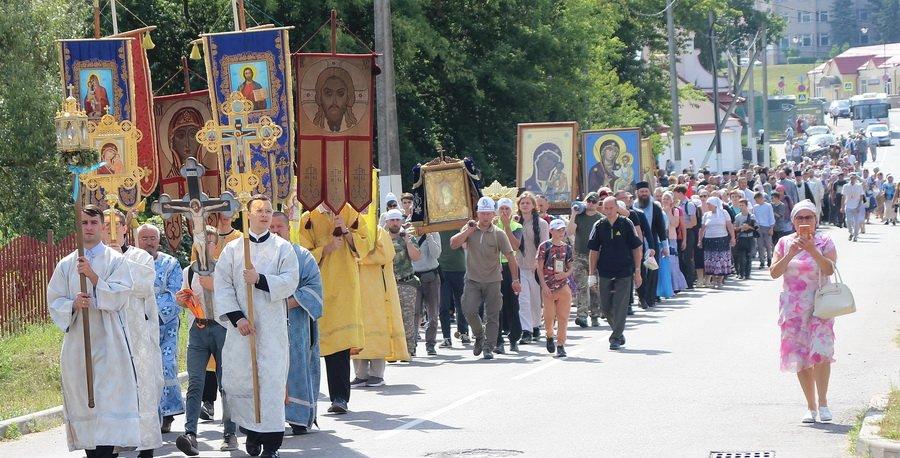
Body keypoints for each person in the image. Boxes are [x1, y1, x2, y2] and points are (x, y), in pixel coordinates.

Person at [47, 205, 137, 457]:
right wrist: (73, 304)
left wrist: (93, 277)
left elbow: (121, 295)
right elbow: (54, 300)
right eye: (84, 222)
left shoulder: (115, 260)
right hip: (79, 343)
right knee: (86, 404)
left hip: (109, 343)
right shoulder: (66, 264)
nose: (88, 228)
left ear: (102, 226)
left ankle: (107, 452)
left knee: (107, 402)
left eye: (93, 223)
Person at [214, 195, 299, 458]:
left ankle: (271, 444)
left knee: (270, 384)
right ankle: (251, 432)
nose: (264, 215)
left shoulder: (283, 248)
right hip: (243, 329)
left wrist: (259, 279)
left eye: (268, 211)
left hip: (271, 329)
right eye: (259, 210)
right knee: (243, 381)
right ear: (248, 214)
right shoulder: (233, 249)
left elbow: (290, 281)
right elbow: (222, 286)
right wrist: (237, 318)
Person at [101, 210, 163, 458]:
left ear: (125, 228)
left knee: (142, 386)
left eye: (116, 224)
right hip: (107, 331)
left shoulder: (140, 257)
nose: (111, 229)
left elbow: (143, 286)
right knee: (112, 387)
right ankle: (112, 445)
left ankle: (145, 447)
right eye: (106, 224)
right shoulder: (95, 257)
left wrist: (118, 259)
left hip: (136, 332)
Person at [769, 200, 837, 424]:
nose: (804, 221)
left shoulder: (825, 241)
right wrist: (791, 253)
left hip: (821, 305)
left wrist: (812, 250)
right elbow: (774, 273)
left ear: (816, 220)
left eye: (809, 217)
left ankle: (824, 403)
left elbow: (829, 269)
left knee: (821, 353)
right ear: (793, 221)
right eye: (800, 218)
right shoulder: (784, 242)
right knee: (800, 356)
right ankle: (811, 406)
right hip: (794, 308)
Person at [175, 226, 238, 456]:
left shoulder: (225, 269)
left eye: (209, 242)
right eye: (200, 243)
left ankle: (230, 433)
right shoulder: (188, 271)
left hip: (221, 328)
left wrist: (215, 285)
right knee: (195, 382)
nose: (204, 247)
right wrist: (182, 299)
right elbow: (187, 299)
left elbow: (237, 297)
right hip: (198, 329)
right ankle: (190, 434)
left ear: (216, 245)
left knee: (225, 383)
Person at [298, 204, 367, 414]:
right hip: (318, 287)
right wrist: (325, 249)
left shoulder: (350, 211)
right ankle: (306, 400)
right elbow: (302, 255)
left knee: (340, 345)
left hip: (345, 286)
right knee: (316, 345)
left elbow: (365, 245)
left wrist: (345, 230)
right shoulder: (309, 217)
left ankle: (339, 397)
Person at [271, 212, 323, 435]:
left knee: (296, 365)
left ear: (288, 229)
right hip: (267, 324)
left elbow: (313, 289)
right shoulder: (257, 257)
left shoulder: (302, 256)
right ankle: (267, 419)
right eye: (271, 227)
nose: (275, 231)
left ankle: (298, 417)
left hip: (296, 322)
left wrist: (285, 304)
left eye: (279, 227)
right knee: (268, 367)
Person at [450, 196, 522, 360]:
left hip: (493, 280)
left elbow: (511, 257)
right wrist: (467, 232)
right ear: (477, 213)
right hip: (472, 279)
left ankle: (489, 347)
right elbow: (453, 244)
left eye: (488, 213)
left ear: (493, 214)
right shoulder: (470, 228)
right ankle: (479, 335)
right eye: (482, 213)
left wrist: (515, 280)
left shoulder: (499, 233)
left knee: (492, 315)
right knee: (469, 310)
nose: (485, 217)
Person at [136, 223, 184, 433]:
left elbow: (175, 293)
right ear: (137, 240)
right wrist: (139, 313)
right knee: (142, 367)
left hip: (165, 324)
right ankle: (145, 414)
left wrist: (150, 312)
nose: (149, 242)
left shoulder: (170, 263)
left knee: (166, 364)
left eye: (152, 238)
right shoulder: (129, 262)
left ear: (158, 240)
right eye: (144, 238)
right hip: (137, 323)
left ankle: (167, 414)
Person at [353, 218, 410, 388]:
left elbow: (385, 254)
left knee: (376, 330)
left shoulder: (379, 231)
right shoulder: (350, 230)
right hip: (355, 289)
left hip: (377, 292)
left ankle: (377, 374)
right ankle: (360, 374)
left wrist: (360, 258)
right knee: (357, 332)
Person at [587, 197, 643, 351]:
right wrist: (591, 274)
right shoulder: (599, 225)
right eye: (606, 208)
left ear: (617, 208)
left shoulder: (626, 223)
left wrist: (638, 271)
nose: (608, 211)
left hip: (624, 270)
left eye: (611, 208)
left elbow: (636, 248)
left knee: (620, 305)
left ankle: (615, 337)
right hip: (605, 270)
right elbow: (593, 251)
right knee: (605, 307)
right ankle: (618, 330)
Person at [384, 209, 423, 356]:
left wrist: (407, 241)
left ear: (401, 221)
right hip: (388, 285)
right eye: (392, 220)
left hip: (406, 283)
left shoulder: (408, 237)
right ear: (387, 222)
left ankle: (409, 349)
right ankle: (392, 350)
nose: (395, 223)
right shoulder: (382, 238)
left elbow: (416, 257)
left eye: (397, 220)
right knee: (389, 318)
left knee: (407, 318)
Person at [536, 218, 574, 357]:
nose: (561, 232)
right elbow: (539, 268)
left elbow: (571, 266)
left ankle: (561, 344)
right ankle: (549, 335)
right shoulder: (544, 246)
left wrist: (566, 274)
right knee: (549, 316)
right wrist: (544, 286)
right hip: (548, 287)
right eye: (558, 230)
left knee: (563, 317)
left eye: (563, 230)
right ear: (551, 231)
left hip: (563, 285)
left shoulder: (567, 247)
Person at [515, 192, 549, 345]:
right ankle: (526, 330)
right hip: (520, 266)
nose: (525, 205)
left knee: (535, 300)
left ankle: (535, 326)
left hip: (536, 268)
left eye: (528, 203)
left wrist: (539, 263)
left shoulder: (542, 224)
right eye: (522, 203)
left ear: (533, 205)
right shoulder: (515, 222)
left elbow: (544, 245)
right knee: (523, 300)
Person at [566, 191, 603, 327]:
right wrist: (573, 214)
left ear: (598, 204)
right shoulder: (579, 217)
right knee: (582, 285)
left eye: (594, 201)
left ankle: (595, 315)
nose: (591, 204)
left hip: (596, 257)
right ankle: (582, 315)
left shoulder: (600, 218)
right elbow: (569, 232)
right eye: (589, 201)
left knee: (594, 287)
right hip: (579, 255)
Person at [494, 198, 523, 352]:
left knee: (512, 304)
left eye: (507, 209)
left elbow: (515, 246)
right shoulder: (492, 225)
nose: (504, 212)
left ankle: (514, 338)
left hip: (511, 267)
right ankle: (498, 340)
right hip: (495, 268)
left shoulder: (516, 226)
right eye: (502, 209)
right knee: (496, 305)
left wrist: (506, 227)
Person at [633, 182, 666, 307]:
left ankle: (651, 298)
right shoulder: (632, 207)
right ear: (637, 193)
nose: (644, 194)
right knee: (640, 271)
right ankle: (642, 297)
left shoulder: (655, 207)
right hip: (637, 245)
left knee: (652, 271)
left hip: (652, 244)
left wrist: (665, 247)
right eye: (642, 192)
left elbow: (661, 228)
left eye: (646, 191)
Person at [411, 226, 443, 355]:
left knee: (433, 314)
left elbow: (436, 254)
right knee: (415, 313)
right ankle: (412, 344)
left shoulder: (434, 232)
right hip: (413, 277)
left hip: (431, 276)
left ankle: (430, 344)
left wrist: (429, 235)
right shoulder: (408, 232)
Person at [438, 229, 470, 348]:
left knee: (462, 304)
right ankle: (446, 337)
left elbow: (466, 245)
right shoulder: (436, 226)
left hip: (459, 269)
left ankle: (464, 333)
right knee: (444, 306)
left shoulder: (460, 225)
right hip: (442, 270)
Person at [698, 197, 735, 288]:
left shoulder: (724, 213)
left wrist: (733, 237)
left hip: (722, 239)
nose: (707, 206)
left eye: (709, 204)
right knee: (712, 261)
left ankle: (720, 280)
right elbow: (702, 229)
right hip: (709, 240)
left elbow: (729, 225)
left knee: (721, 260)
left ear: (714, 205)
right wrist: (700, 240)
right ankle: (713, 280)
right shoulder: (706, 215)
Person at [661, 191, 687, 292]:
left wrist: (668, 211)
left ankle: (675, 285)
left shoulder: (675, 210)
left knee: (673, 262)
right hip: (662, 239)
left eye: (668, 199)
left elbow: (675, 224)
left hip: (672, 239)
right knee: (664, 263)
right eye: (664, 198)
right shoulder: (659, 210)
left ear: (671, 201)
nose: (666, 200)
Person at [674, 185, 698, 288]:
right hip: (680, 233)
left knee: (687, 257)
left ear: (680, 193)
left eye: (675, 193)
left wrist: (682, 226)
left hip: (688, 233)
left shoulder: (689, 204)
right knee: (681, 257)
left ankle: (690, 281)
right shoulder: (679, 204)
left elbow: (694, 222)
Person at [733, 199, 758, 280]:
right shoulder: (737, 216)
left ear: (746, 206)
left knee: (748, 256)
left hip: (749, 238)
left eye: (743, 205)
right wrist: (741, 228)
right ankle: (741, 273)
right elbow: (735, 228)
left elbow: (756, 227)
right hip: (741, 238)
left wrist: (748, 227)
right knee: (741, 257)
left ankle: (747, 274)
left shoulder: (752, 216)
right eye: (740, 205)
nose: (741, 207)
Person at [753, 192, 775, 269]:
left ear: (761, 198)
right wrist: (756, 226)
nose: (756, 201)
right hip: (759, 227)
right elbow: (754, 217)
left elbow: (771, 216)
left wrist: (771, 228)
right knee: (760, 245)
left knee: (768, 245)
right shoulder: (755, 207)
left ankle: (769, 260)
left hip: (767, 227)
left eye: (757, 199)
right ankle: (762, 262)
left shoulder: (768, 206)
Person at [842, 173, 865, 241]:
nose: (853, 179)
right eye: (851, 177)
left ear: (856, 179)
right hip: (848, 205)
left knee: (856, 222)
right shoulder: (845, 186)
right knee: (848, 221)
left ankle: (855, 236)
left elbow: (861, 196)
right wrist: (842, 207)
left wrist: (859, 206)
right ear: (849, 178)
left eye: (854, 178)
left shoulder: (859, 186)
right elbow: (843, 197)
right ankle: (851, 232)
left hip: (856, 206)